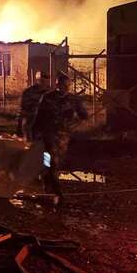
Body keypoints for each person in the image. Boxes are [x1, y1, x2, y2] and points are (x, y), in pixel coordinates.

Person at [32, 73, 88, 204]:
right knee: (51, 161)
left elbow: (84, 116)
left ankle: (47, 178)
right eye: (62, 85)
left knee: (55, 163)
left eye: (67, 85)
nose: (64, 88)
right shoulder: (47, 98)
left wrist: (73, 125)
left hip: (63, 137)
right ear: (57, 85)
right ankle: (57, 192)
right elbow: (38, 117)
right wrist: (33, 133)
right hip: (48, 135)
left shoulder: (73, 100)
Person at [18, 71, 51, 140]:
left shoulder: (51, 92)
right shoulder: (28, 92)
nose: (44, 81)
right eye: (41, 80)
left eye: (46, 79)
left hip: (46, 123)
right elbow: (23, 108)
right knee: (30, 144)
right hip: (31, 121)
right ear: (37, 80)